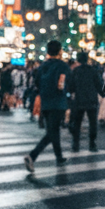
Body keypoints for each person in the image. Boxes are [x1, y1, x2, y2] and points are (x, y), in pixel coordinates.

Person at [23, 41, 71, 170]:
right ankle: (32, 155)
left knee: (53, 130)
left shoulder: (42, 66)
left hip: (46, 102)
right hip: (58, 102)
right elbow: (64, 83)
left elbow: (37, 83)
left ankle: (59, 157)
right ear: (60, 51)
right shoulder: (62, 66)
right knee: (52, 132)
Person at [69, 51, 104, 151]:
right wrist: (102, 94)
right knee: (92, 123)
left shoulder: (75, 71)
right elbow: (98, 84)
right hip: (91, 99)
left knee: (77, 123)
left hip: (79, 100)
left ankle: (75, 144)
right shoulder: (93, 70)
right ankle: (92, 144)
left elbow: (71, 86)